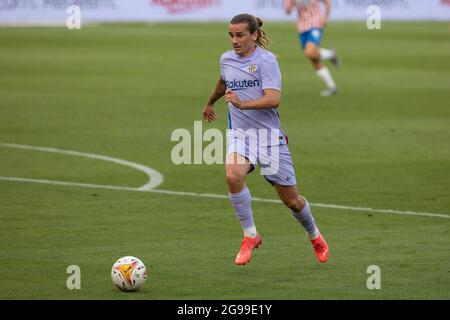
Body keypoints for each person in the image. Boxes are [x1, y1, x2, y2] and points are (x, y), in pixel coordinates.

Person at [202, 13, 329, 266]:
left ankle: (314, 234)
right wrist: (210, 102)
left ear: (254, 35)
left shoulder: (266, 61)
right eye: (231, 35)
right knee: (232, 175)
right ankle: (250, 234)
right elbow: (223, 80)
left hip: (269, 138)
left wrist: (242, 103)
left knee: (292, 201)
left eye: (239, 35)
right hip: (240, 135)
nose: (234, 40)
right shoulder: (226, 59)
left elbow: (273, 99)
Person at [285, 0, 340, 96]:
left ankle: (331, 54)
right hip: (302, 27)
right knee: (314, 60)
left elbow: (327, 1)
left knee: (309, 52)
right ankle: (332, 87)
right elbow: (288, 11)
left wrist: (325, 17)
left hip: (315, 23)